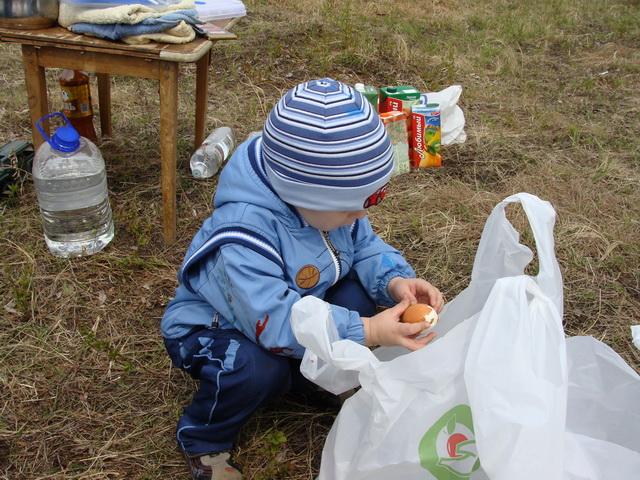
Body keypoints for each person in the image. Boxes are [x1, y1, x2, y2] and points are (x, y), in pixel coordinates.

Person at [161, 78, 444, 480]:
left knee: (360, 294)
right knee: (255, 369)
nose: (358, 219)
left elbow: (364, 246)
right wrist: (368, 331)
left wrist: (396, 282)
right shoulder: (242, 236)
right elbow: (274, 321)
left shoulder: (327, 203)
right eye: (349, 211)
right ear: (304, 196)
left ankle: (311, 383)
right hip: (223, 329)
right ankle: (205, 439)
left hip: (295, 301)